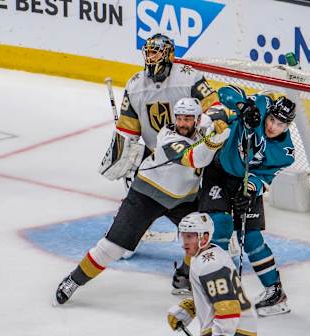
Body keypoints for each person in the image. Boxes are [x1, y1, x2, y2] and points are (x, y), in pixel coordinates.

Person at [55, 97, 230, 305]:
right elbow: (197, 159)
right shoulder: (167, 135)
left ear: (197, 118)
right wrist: (217, 137)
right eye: (179, 118)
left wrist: (223, 116)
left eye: (188, 119)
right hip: (146, 195)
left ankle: (183, 277)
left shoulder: (203, 126)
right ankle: (74, 280)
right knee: (112, 248)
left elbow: (221, 110)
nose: (182, 123)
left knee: (201, 237)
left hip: (184, 199)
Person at [97, 33, 218, 292]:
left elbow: (213, 107)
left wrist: (209, 133)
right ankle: (128, 235)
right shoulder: (136, 84)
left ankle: (199, 249)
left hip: (192, 157)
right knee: (138, 193)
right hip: (157, 154)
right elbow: (129, 130)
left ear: (168, 54)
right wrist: (122, 153)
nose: (150, 57)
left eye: (156, 52)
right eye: (148, 51)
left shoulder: (189, 76)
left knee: (195, 208)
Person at [198, 85, 297, 317]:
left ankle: (275, 292)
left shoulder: (286, 152)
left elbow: (265, 176)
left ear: (287, 127)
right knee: (219, 226)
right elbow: (225, 92)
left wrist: (249, 190)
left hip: (245, 182)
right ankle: (219, 290)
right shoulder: (261, 104)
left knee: (251, 238)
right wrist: (244, 107)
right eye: (272, 120)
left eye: (280, 124)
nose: (273, 127)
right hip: (219, 170)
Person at [167, 212, 257, 336]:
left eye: (190, 237)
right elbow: (216, 295)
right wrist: (191, 307)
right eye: (183, 236)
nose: (185, 242)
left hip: (235, 330)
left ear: (204, 238)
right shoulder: (209, 254)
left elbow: (229, 308)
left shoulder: (210, 265)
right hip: (235, 327)